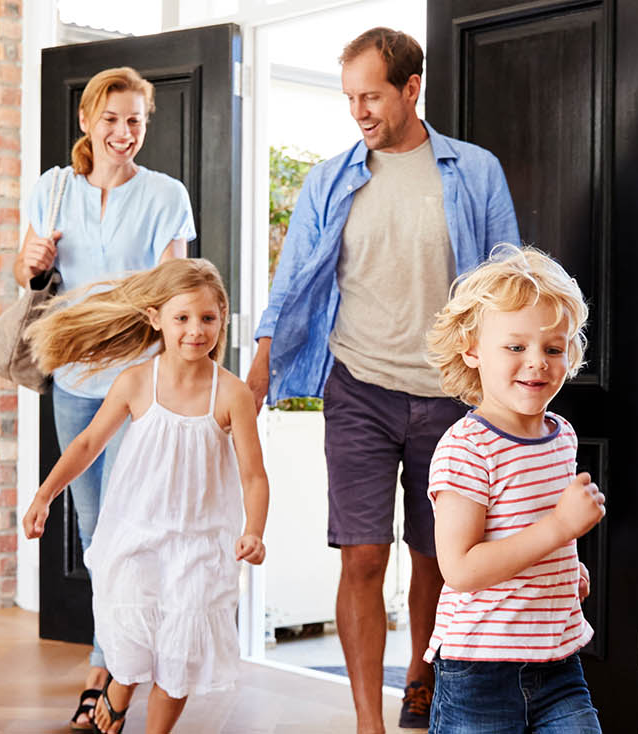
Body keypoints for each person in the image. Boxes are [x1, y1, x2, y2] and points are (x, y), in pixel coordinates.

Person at [246, 27, 520, 732]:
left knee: (436, 556)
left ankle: (422, 681)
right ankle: (368, 720)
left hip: (451, 400)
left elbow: (508, 280)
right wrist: (260, 364)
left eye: (371, 95)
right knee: (363, 555)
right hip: (360, 387)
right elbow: (294, 280)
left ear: (410, 88)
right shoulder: (330, 179)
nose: (359, 111)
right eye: (349, 98)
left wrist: (515, 379)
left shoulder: (474, 171)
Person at [15, 65, 196, 731]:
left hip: (136, 383)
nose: (124, 133)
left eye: (136, 122)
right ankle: (115, 655)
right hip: (71, 382)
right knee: (96, 533)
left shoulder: (166, 194)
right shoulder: (52, 188)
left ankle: (110, 666)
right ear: (88, 121)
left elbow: (176, 289)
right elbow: (24, 272)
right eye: (113, 120)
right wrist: (32, 258)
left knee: (130, 531)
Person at [22, 258, 270, 734]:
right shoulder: (137, 382)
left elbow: (254, 476)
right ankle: (118, 688)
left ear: (222, 316)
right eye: (181, 318)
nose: (195, 331)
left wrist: (253, 531)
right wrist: (45, 495)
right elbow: (88, 443)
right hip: (136, 534)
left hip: (201, 543)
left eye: (207, 318)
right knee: (132, 638)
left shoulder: (232, 394)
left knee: (181, 653)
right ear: (156, 318)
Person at [420, 246, 604, 733]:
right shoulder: (467, 449)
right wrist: (560, 527)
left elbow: (528, 534)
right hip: (480, 668)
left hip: (558, 659)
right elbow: (460, 569)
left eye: (552, 348)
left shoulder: (561, 435)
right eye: (515, 347)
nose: (537, 363)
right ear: (472, 349)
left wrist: (565, 569)